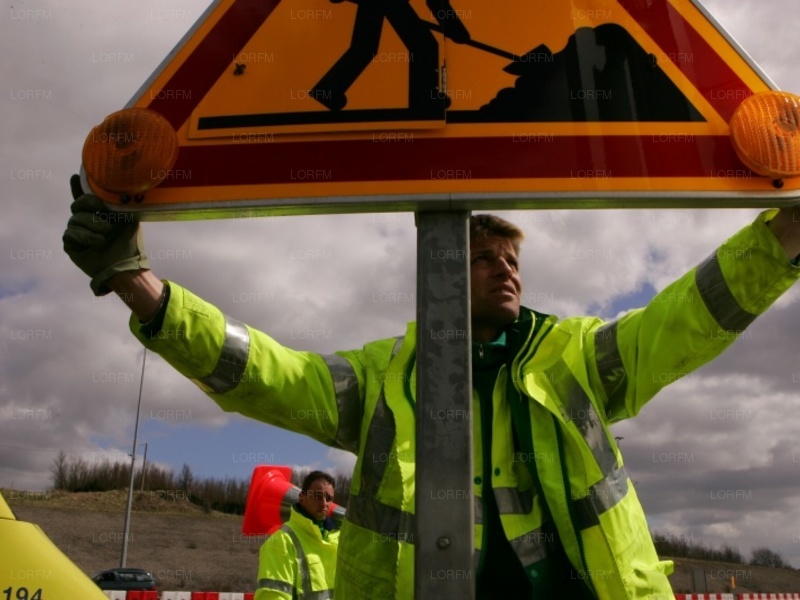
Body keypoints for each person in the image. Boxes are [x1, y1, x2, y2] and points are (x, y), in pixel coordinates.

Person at [63, 173, 800, 598]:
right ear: (441, 269)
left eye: (513, 259)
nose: (507, 269)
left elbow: (686, 318)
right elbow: (267, 374)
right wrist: (142, 289)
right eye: (485, 256)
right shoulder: (388, 376)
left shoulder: (575, 354)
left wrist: (783, 237)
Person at [255, 470, 340, 600]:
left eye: (328, 498)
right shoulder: (281, 541)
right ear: (302, 497)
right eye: (317, 496)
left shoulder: (340, 538)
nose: (324, 503)